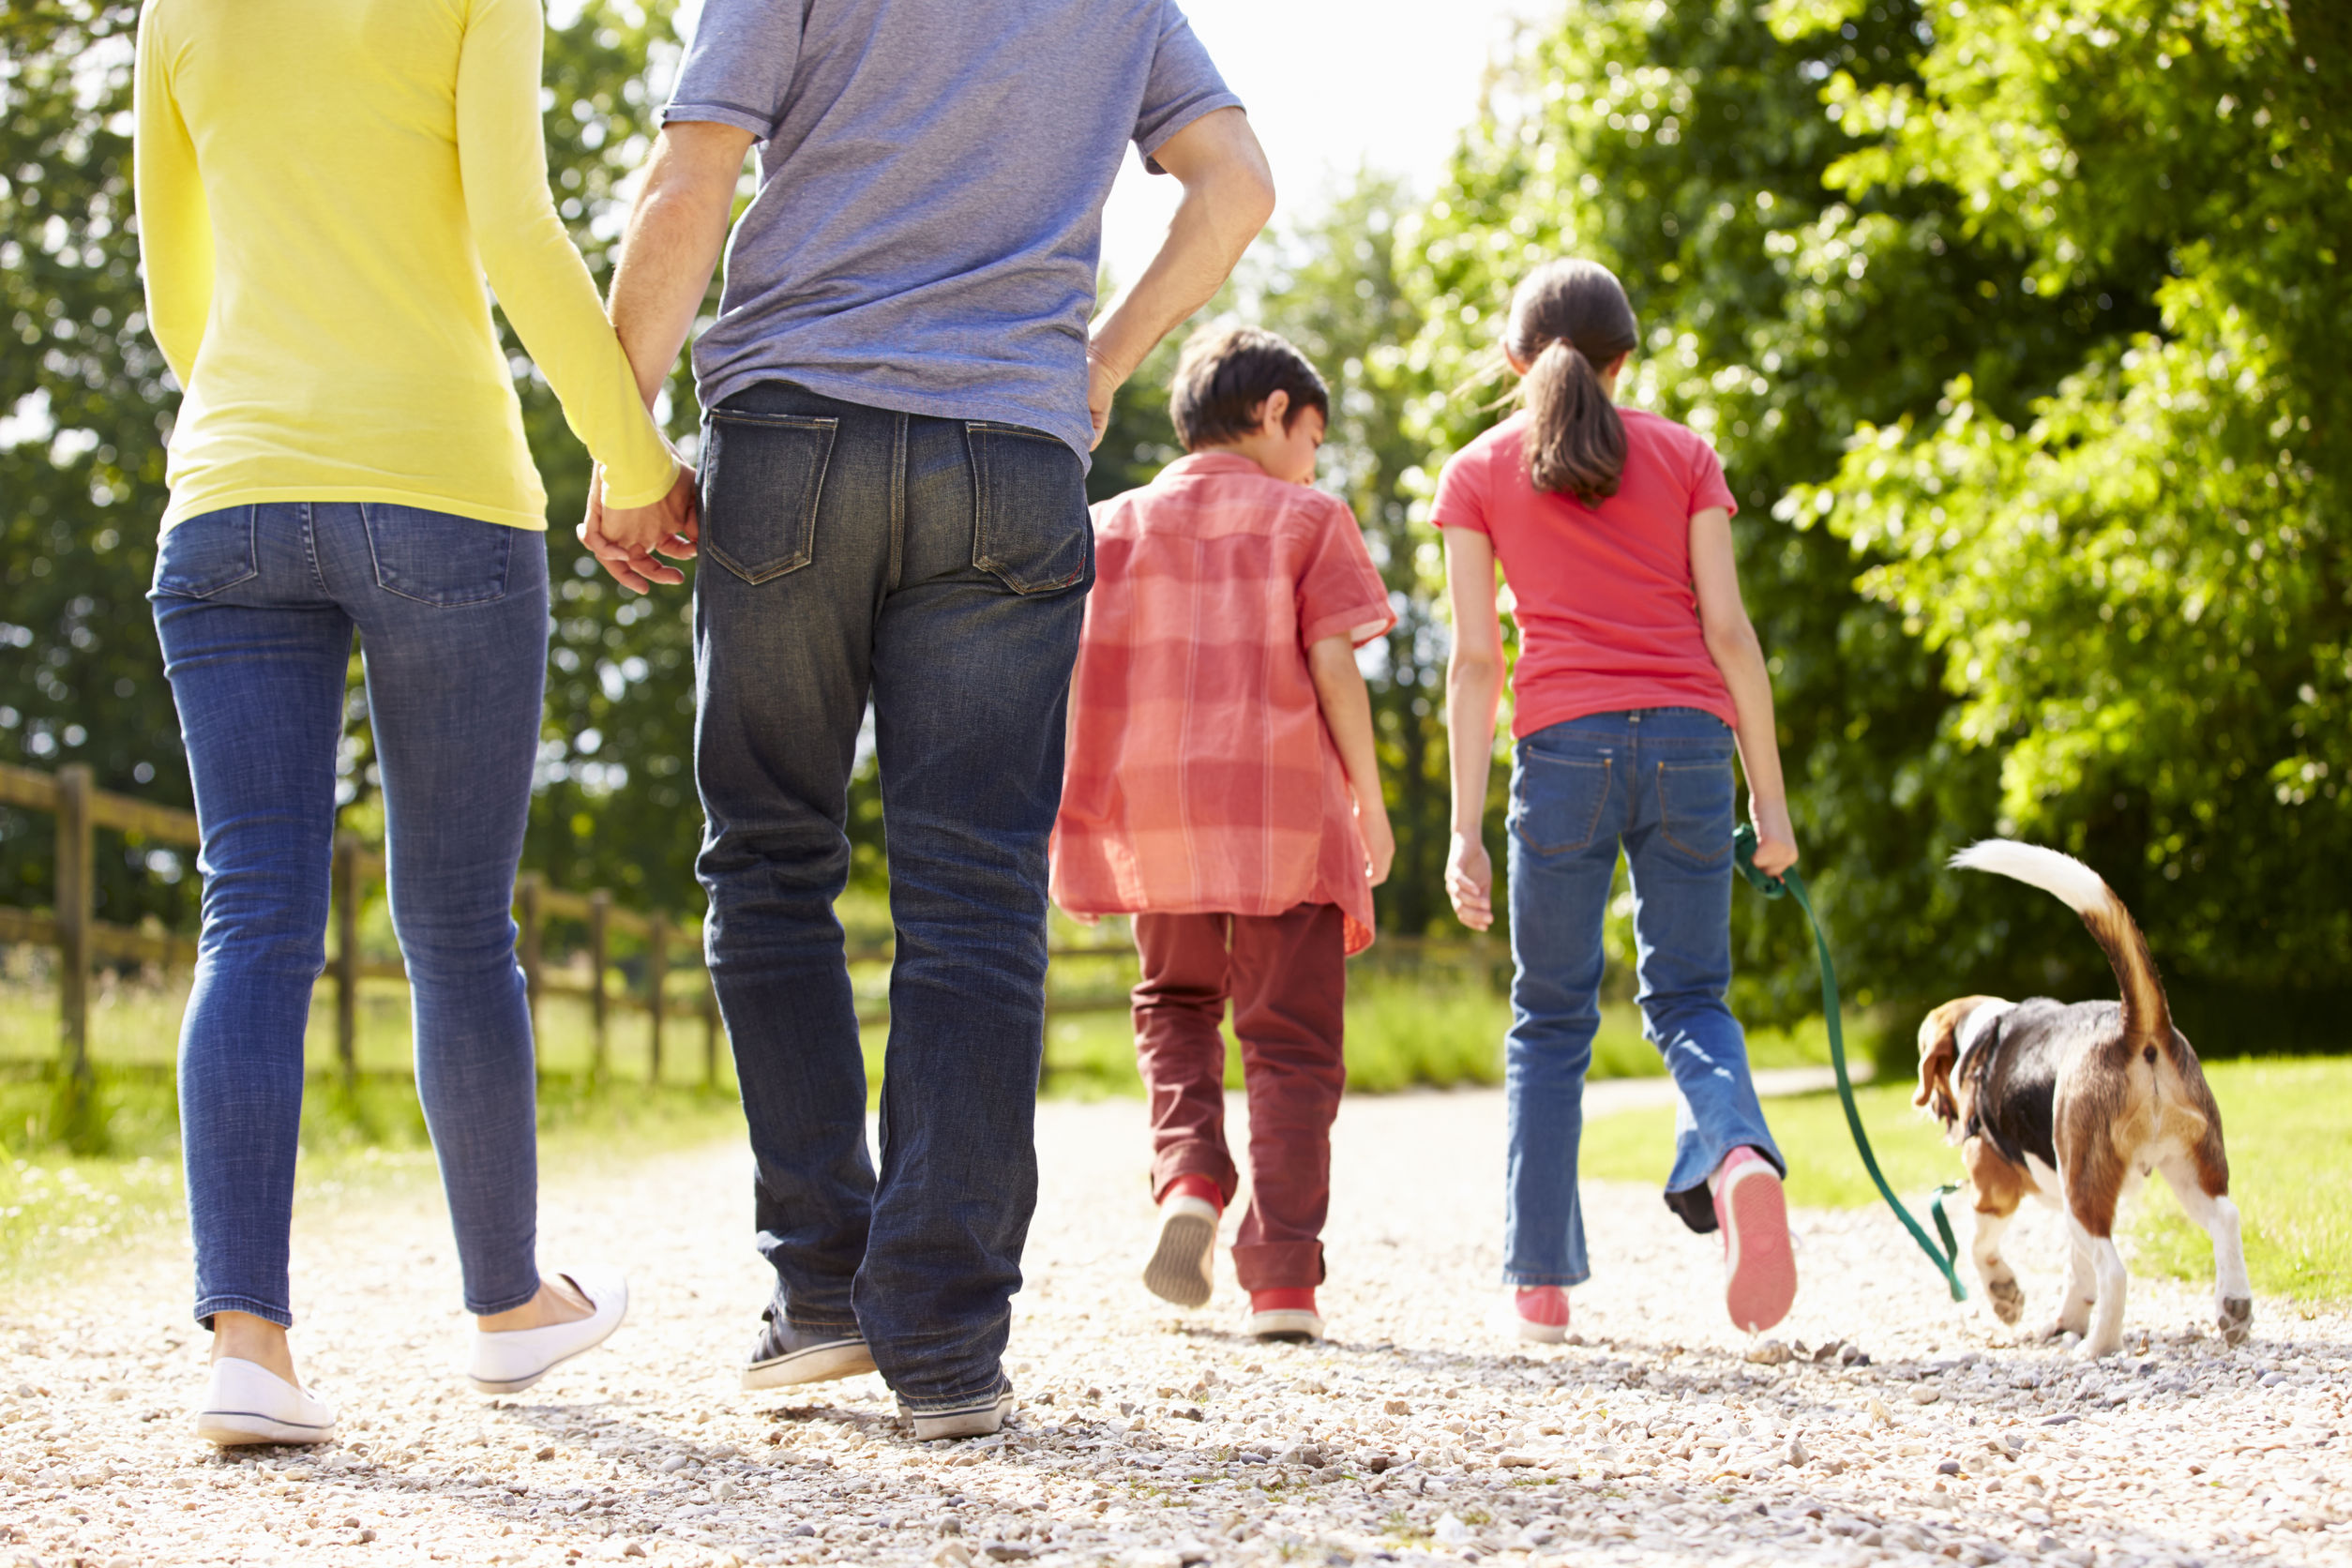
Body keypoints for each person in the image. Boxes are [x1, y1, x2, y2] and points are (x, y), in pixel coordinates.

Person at [580, 0, 1274, 1437]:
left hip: (795, 442)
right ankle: (949, 1344)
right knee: (974, 890)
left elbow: (691, 174)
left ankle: (823, 1287)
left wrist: (621, 429)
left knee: (771, 862)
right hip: (1012, 455)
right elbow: (1239, 184)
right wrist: (1101, 361)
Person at [133, 0, 695, 1444]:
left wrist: (262, 424)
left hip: (233, 489)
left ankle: (247, 1347)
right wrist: (631, 454)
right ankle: (508, 1310)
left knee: (250, 914)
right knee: (455, 925)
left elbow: (171, 291)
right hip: (441, 484)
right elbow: (518, 229)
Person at [1433, 259, 1802, 1342]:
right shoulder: (1686, 455)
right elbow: (1731, 635)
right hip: (1690, 743)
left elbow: (1471, 663)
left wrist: (1462, 828)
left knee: (1550, 1019)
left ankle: (1541, 1283)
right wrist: (1769, 806)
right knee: (1691, 997)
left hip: (1562, 753)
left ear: (1513, 361)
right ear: (1626, 358)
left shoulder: (1476, 471)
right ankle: (1734, 1151)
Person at [1050, 326, 1395, 1344]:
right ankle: (1283, 1280)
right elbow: (1335, 666)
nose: (1316, 459)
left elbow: (1071, 675)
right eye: (1314, 435)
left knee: (1176, 1002)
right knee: (1289, 1040)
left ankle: (1189, 1175)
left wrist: (1074, 800)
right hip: (1281, 808)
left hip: (1154, 814)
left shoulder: (1109, 525)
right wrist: (1369, 800)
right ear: (1274, 412)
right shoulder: (1308, 519)